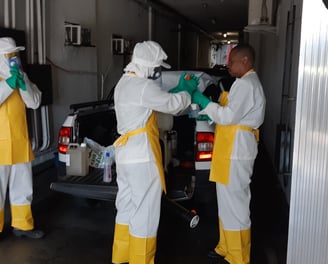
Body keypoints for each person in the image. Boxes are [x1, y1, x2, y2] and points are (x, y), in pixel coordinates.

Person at [112, 40, 198, 264]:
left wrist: (178, 90)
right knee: (145, 212)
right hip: (141, 156)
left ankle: (121, 257)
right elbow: (173, 106)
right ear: (148, 66)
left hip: (125, 155)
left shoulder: (124, 82)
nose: (157, 72)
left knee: (126, 205)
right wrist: (187, 92)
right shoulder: (143, 86)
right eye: (157, 67)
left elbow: (156, 102)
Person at [191, 43, 266, 264]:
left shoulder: (246, 84)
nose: (227, 65)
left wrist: (205, 103)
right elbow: (229, 114)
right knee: (225, 202)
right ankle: (225, 246)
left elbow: (229, 116)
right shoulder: (242, 84)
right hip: (230, 151)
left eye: (231, 61)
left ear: (245, 61)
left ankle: (238, 256)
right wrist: (210, 114)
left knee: (236, 205)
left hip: (236, 151)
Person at [0, 37, 44, 239]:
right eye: (9, 55)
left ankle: (23, 225)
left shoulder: (21, 76)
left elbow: (34, 103)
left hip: (20, 139)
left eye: (15, 54)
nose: (13, 58)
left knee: (23, 184)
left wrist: (24, 85)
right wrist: (9, 85)